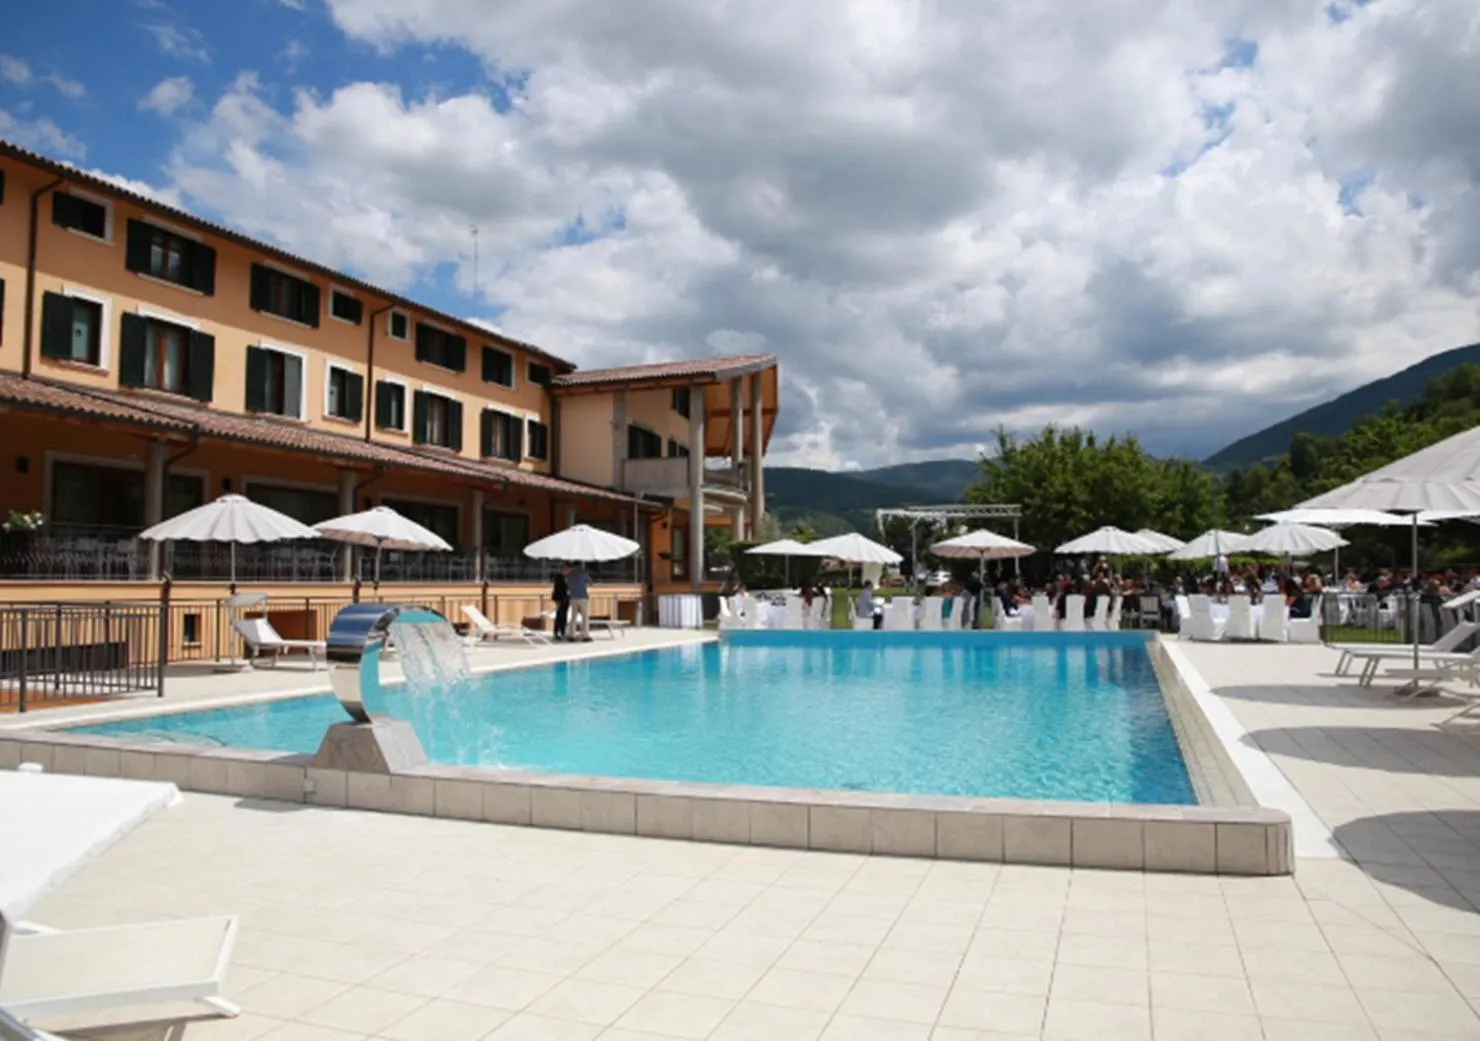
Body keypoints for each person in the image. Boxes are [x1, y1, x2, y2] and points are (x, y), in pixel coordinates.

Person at [567, 561, 592, 641]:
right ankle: (585, 635)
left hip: (573, 597)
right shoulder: (584, 573)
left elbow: (568, 584)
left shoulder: (570, 574)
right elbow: (590, 583)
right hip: (582, 596)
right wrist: (584, 585)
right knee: (585, 616)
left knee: (573, 616)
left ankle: (571, 635)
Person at [552, 563, 571, 640]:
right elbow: (557, 589)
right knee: (559, 614)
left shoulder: (568, 577)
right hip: (560, 598)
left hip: (566, 598)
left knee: (564, 614)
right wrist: (557, 600)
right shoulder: (559, 577)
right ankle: (557, 632)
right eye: (567, 569)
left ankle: (563, 631)